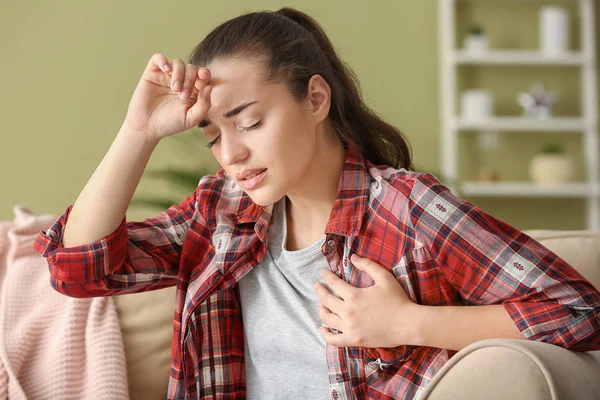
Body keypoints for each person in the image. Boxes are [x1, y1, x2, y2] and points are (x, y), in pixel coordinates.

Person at [33, 7, 600, 400]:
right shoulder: (221, 214)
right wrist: (139, 130)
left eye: (250, 121)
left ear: (316, 99)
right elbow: (81, 270)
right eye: (211, 135)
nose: (229, 153)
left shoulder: (407, 206)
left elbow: (578, 312)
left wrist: (409, 322)